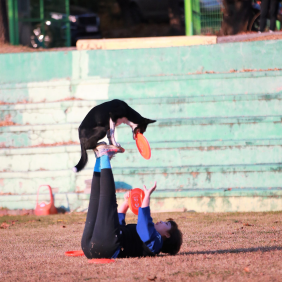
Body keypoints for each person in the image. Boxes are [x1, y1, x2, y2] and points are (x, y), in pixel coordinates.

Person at [81, 143, 183, 259]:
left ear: (167, 235)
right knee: (96, 199)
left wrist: (146, 198)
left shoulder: (156, 244)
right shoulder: (151, 237)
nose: (161, 221)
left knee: (107, 199)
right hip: (90, 247)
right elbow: (116, 223)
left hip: (107, 247)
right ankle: (100, 158)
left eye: (166, 223)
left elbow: (143, 226)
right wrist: (127, 203)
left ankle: (104, 156)